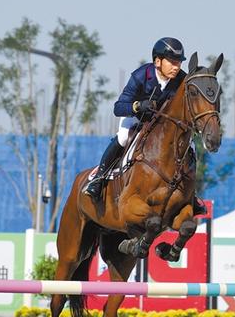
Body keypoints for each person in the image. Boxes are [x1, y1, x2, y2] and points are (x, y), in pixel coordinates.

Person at [83, 37, 206, 215]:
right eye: (172, 62)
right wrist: (137, 106)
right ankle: (99, 179)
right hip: (138, 119)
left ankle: (190, 194)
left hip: (163, 126)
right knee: (123, 137)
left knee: (190, 146)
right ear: (158, 61)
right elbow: (119, 107)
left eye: (179, 62)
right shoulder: (141, 76)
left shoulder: (181, 80)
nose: (176, 66)